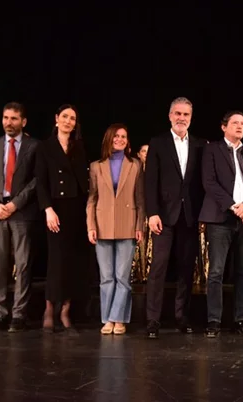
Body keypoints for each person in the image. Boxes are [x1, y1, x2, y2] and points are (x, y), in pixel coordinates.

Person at [144, 97, 206, 339]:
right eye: (177, 113)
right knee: (158, 268)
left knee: (185, 269)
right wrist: (152, 213)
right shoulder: (158, 143)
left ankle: (182, 317)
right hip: (164, 217)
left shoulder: (200, 145)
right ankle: (152, 319)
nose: (181, 118)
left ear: (191, 118)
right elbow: (150, 182)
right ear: (170, 116)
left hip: (189, 216)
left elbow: (202, 184)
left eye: (186, 114)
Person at [199, 111, 243, 337]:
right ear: (223, 126)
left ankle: (240, 319)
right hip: (220, 217)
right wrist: (233, 205)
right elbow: (209, 182)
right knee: (216, 271)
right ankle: (214, 320)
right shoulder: (212, 149)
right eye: (235, 123)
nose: (240, 127)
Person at [0, 102, 39, 333]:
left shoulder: (34, 146)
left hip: (21, 212)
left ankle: (19, 315)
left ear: (23, 122)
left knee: (23, 265)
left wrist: (15, 203)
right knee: (0, 265)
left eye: (14, 118)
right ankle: (0, 314)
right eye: (5, 118)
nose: (8, 122)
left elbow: (36, 180)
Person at [87, 123, 145, 335]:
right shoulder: (96, 166)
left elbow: (140, 199)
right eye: (116, 136)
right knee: (106, 277)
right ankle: (107, 319)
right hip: (102, 226)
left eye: (124, 137)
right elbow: (92, 199)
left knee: (122, 276)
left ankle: (118, 318)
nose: (120, 139)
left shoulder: (135, 165)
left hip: (127, 224)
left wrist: (140, 226)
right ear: (109, 139)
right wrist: (90, 226)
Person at [35, 104, 89, 332]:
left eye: (72, 118)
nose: (68, 121)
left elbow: (84, 183)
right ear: (56, 119)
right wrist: (47, 209)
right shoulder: (45, 147)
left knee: (73, 261)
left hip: (76, 209)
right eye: (65, 117)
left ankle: (66, 310)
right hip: (55, 209)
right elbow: (40, 181)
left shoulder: (79, 147)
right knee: (56, 260)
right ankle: (49, 307)